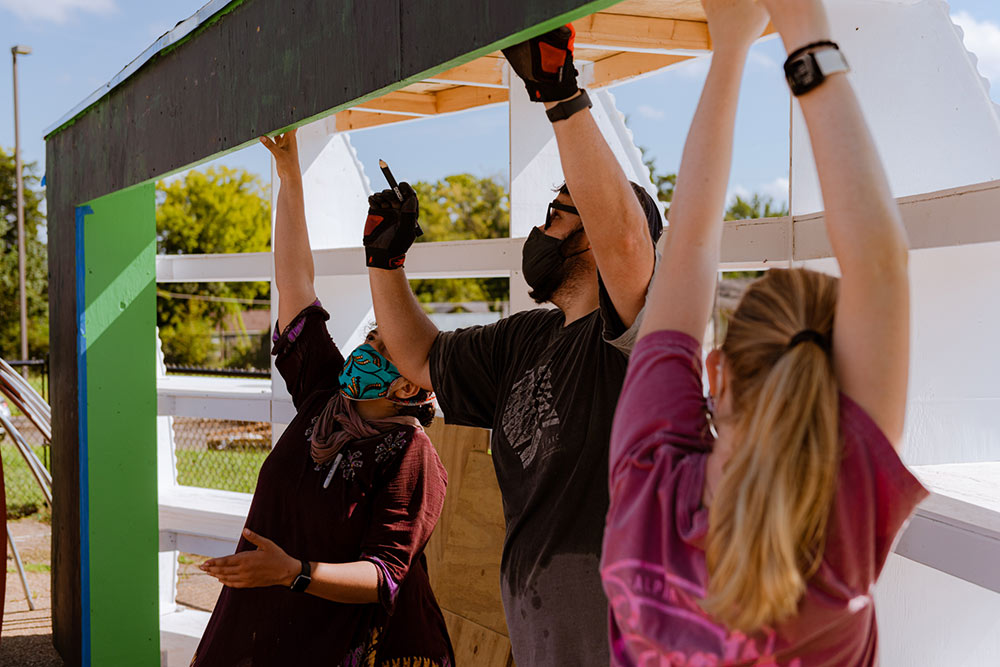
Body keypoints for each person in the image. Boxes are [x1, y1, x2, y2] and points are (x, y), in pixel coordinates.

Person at [601, 0, 928, 664]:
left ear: (717, 371)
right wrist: (766, 35)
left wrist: (785, 30)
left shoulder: (649, 486)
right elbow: (879, 263)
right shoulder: (839, 532)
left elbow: (688, 243)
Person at [363, 28, 663, 666]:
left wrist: (560, 94)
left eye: (561, 211)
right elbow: (419, 357)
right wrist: (384, 262)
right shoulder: (526, 338)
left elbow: (630, 245)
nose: (541, 227)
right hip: (543, 630)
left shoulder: (635, 334)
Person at [192, 130, 454, 667]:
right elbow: (295, 286)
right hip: (265, 629)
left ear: (408, 385)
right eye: (370, 337)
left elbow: (385, 577)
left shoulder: (411, 455)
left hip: (344, 645)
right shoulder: (324, 396)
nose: (363, 347)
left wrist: (292, 572)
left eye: (380, 347)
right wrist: (290, 178)